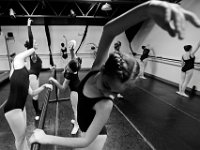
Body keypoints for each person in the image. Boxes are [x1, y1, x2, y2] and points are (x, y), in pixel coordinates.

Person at [30, 1, 200, 149]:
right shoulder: (96, 67)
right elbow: (110, 29)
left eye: (117, 92)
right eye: (108, 87)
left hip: (94, 138)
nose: (111, 95)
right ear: (103, 69)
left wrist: (46, 138)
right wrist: (149, 7)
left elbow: (86, 141)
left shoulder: (105, 104)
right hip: (85, 131)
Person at [4, 45, 53, 150]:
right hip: (12, 109)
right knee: (20, 139)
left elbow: (32, 92)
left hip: (21, 108)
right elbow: (29, 51)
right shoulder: (17, 65)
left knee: (23, 136)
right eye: (25, 60)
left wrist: (44, 86)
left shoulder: (25, 77)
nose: (26, 61)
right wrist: (33, 46)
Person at [49, 40, 81, 135]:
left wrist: (54, 80)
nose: (67, 66)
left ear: (70, 69)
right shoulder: (75, 65)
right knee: (76, 108)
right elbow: (73, 57)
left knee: (75, 109)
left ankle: (77, 125)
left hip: (75, 91)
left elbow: (63, 88)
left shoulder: (69, 76)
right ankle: (76, 122)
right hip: (79, 87)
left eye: (68, 67)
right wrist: (72, 48)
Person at [24, 18, 43, 120]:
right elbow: (31, 38)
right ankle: (37, 113)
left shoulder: (34, 55)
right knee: (35, 96)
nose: (36, 43)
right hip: (32, 77)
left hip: (35, 76)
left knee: (36, 96)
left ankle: (38, 110)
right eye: (35, 43)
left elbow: (38, 67)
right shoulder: (32, 53)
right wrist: (28, 24)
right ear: (32, 45)